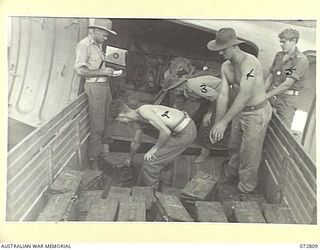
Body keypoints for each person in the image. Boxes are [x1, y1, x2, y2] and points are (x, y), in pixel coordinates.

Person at [208, 28, 272, 194]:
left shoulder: (250, 64)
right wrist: (217, 124)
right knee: (234, 147)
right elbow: (223, 95)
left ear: (234, 46)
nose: (220, 53)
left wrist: (224, 122)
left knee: (249, 155)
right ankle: (231, 177)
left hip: (256, 114)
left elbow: (244, 95)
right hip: (240, 112)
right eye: (218, 49)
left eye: (223, 49)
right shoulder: (225, 67)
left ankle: (245, 190)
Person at [111, 100, 197, 190]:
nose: (120, 123)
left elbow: (165, 132)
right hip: (178, 130)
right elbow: (136, 142)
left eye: (118, 121)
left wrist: (154, 149)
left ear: (120, 116)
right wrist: (130, 157)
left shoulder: (143, 111)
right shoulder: (137, 119)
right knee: (160, 156)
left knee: (150, 161)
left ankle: (151, 192)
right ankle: (164, 182)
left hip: (186, 132)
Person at [74, 18, 122, 170]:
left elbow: (97, 65)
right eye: (105, 34)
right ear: (95, 31)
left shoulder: (98, 44)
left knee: (109, 116)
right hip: (94, 86)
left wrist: (109, 73)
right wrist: (102, 71)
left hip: (104, 84)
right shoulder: (84, 45)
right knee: (97, 125)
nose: (106, 38)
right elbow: (80, 71)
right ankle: (93, 158)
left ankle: (105, 148)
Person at [161, 57, 222, 164]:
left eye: (174, 91)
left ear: (178, 87)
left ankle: (205, 153)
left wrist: (209, 113)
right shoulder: (184, 90)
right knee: (195, 117)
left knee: (207, 124)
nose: (174, 93)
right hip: (210, 99)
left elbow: (216, 97)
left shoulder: (194, 86)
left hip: (224, 97)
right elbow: (178, 107)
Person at [265, 28, 309, 129]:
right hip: (272, 96)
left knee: (281, 133)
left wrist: (266, 95)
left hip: (287, 102)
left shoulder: (301, 60)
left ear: (293, 41)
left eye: (283, 42)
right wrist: (263, 93)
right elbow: (271, 77)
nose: (281, 44)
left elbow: (287, 84)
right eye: (280, 42)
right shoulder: (279, 55)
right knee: (264, 127)